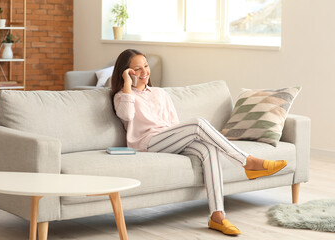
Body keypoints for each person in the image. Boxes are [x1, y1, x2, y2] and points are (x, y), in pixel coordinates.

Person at [111, 49, 287, 236]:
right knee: (197, 123)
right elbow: (127, 115)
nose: (144, 72)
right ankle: (247, 162)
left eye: (146, 66)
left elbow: (173, 124)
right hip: (146, 143)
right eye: (136, 69)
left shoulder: (160, 93)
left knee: (208, 147)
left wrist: (181, 139)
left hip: (169, 139)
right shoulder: (122, 97)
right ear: (126, 72)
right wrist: (127, 84)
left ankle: (217, 216)